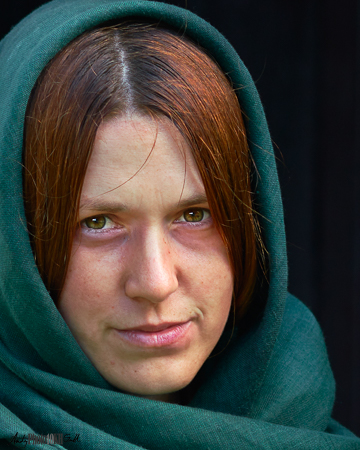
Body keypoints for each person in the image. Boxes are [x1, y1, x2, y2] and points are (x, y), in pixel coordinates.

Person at [0, 0, 359, 449]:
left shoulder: (298, 419)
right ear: (14, 243)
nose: (155, 282)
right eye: (98, 222)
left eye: (194, 215)